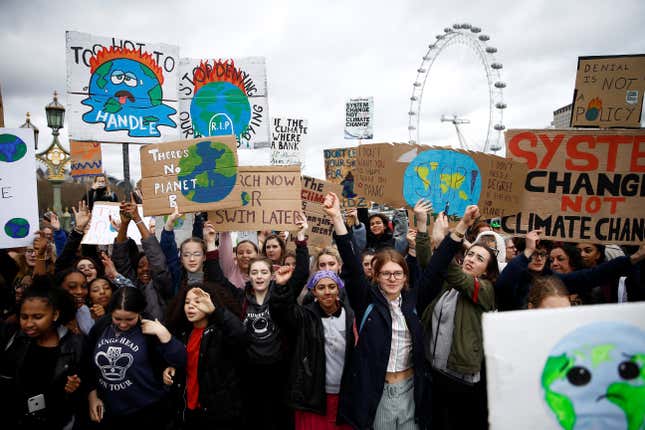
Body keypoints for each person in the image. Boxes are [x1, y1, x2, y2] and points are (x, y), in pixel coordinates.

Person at [324, 192, 426, 430]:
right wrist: (338, 219)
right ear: (376, 276)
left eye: (397, 273)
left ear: (405, 276)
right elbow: (350, 262)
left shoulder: (412, 302)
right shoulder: (366, 301)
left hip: (411, 390)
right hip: (380, 392)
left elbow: (436, 267)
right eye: (385, 274)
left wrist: (423, 224)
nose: (392, 278)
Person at [415, 201, 497, 430]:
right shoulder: (448, 284)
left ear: (488, 271)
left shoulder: (485, 290)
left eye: (480, 259)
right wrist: (422, 227)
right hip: (433, 372)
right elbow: (430, 265)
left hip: (459, 380)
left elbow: (449, 269)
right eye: (470, 254)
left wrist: (448, 238)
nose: (471, 259)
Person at [85, 287, 186, 430]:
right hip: (109, 411)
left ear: (139, 312)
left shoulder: (150, 329)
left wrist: (165, 336)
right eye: (117, 318)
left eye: (130, 319)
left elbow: (180, 360)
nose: (123, 324)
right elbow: (87, 363)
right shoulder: (101, 327)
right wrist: (92, 395)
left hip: (147, 411)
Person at [270, 268, 354, 430]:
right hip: (313, 397)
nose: (327, 292)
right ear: (313, 292)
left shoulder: (351, 316)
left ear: (338, 288)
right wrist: (281, 286)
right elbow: (281, 311)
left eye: (331, 286)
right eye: (321, 288)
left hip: (345, 397)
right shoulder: (304, 316)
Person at [0, 282, 84, 429]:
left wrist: (72, 389)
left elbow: (86, 389)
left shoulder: (75, 345)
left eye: (37, 317)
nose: (29, 323)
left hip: (56, 422)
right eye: (24, 317)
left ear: (55, 315)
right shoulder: (14, 338)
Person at [164, 284, 246, 429]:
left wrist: (216, 311)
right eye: (187, 302)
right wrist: (170, 369)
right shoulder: (182, 333)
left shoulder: (220, 332)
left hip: (215, 412)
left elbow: (240, 334)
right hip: (187, 409)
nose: (191, 306)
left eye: (197, 302)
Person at [111, 199, 173, 320]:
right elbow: (120, 260)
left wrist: (137, 219)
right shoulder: (132, 284)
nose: (145, 269)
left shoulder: (163, 285)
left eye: (149, 265)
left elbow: (156, 257)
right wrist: (124, 224)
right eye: (140, 266)